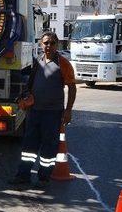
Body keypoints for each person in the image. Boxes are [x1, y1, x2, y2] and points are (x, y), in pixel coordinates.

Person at [9, 31, 77, 185]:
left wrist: (68, 110)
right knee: (29, 146)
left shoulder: (63, 63)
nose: (49, 46)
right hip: (34, 111)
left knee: (49, 147)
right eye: (46, 43)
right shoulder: (38, 61)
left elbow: (72, 88)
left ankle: (43, 178)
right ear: (41, 44)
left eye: (52, 43)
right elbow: (31, 84)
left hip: (52, 113)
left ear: (57, 45)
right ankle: (23, 176)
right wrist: (25, 97)